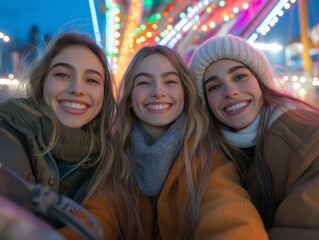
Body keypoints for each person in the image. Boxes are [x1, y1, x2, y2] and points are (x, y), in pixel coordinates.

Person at [60, 45, 268, 240]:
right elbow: (96, 218)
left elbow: (228, 213)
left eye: (170, 81)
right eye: (144, 83)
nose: (158, 92)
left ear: (185, 94)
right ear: (130, 98)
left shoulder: (208, 156)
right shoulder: (115, 158)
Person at [190, 34, 319, 239]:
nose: (230, 92)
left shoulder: (306, 135)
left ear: (261, 81)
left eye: (240, 77)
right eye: (214, 87)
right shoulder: (214, 151)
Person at [0, 32, 116, 204]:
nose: (77, 89)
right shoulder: (7, 135)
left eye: (92, 80)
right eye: (62, 75)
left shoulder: (108, 157)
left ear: (104, 95)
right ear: (41, 82)